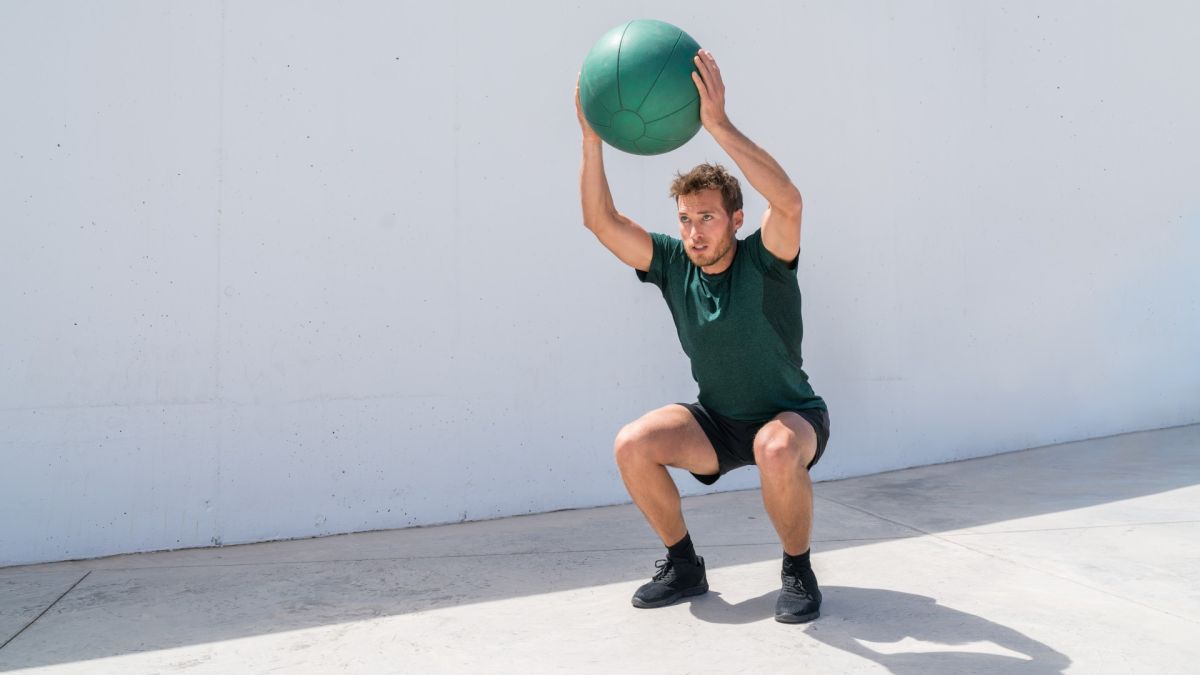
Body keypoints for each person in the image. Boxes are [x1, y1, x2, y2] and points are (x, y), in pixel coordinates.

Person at [575, 49, 830, 624]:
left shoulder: (766, 259)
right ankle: (684, 564)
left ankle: (797, 570)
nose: (694, 231)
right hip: (718, 421)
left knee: (775, 448)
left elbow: (788, 200)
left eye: (708, 217)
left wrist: (717, 124)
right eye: (686, 219)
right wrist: (593, 138)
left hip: (791, 416)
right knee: (632, 444)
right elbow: (601, 221)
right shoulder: (671, 264)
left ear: (736, 220)